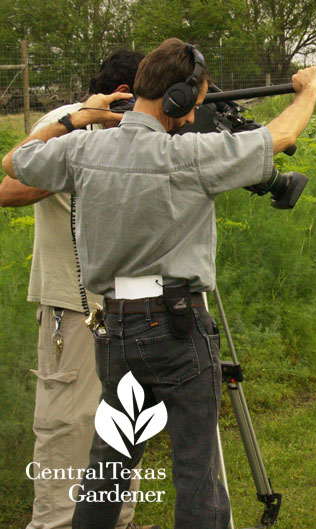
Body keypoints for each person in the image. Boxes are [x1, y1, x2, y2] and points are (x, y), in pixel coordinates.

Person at [2, 37, 316, 529]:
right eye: (195, 103)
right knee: (196, 469)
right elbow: (278, 137)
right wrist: (308, 90)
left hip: (114, 333)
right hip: (178, 327)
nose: (195, 115)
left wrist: (77, 118)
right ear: (176, 99)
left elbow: (14, 161)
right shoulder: (189, 156)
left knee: (106, 468)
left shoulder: (85, 148)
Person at [0, 49, 156, 529]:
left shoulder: (150, 134)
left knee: (124, 423)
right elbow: (7, 189)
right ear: (122, 97)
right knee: (69, 425)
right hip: (75, 305)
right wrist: (80, 145)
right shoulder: (62, 124)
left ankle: (117, 521)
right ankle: (57, 523)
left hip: (136, 300)